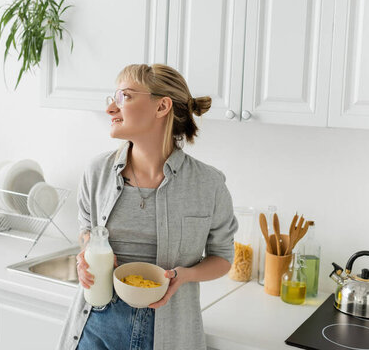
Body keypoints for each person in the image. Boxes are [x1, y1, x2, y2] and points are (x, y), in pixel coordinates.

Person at [56, 63, 238, 350]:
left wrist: (185, 276)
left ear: (162, 106)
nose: (111, 109)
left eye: (125, 97)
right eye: (113, 98)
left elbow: (223, 257)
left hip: (168, 332)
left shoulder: (208, 184)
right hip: (96, 325)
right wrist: (86, 254)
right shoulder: (97, 172)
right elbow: (86, 231)